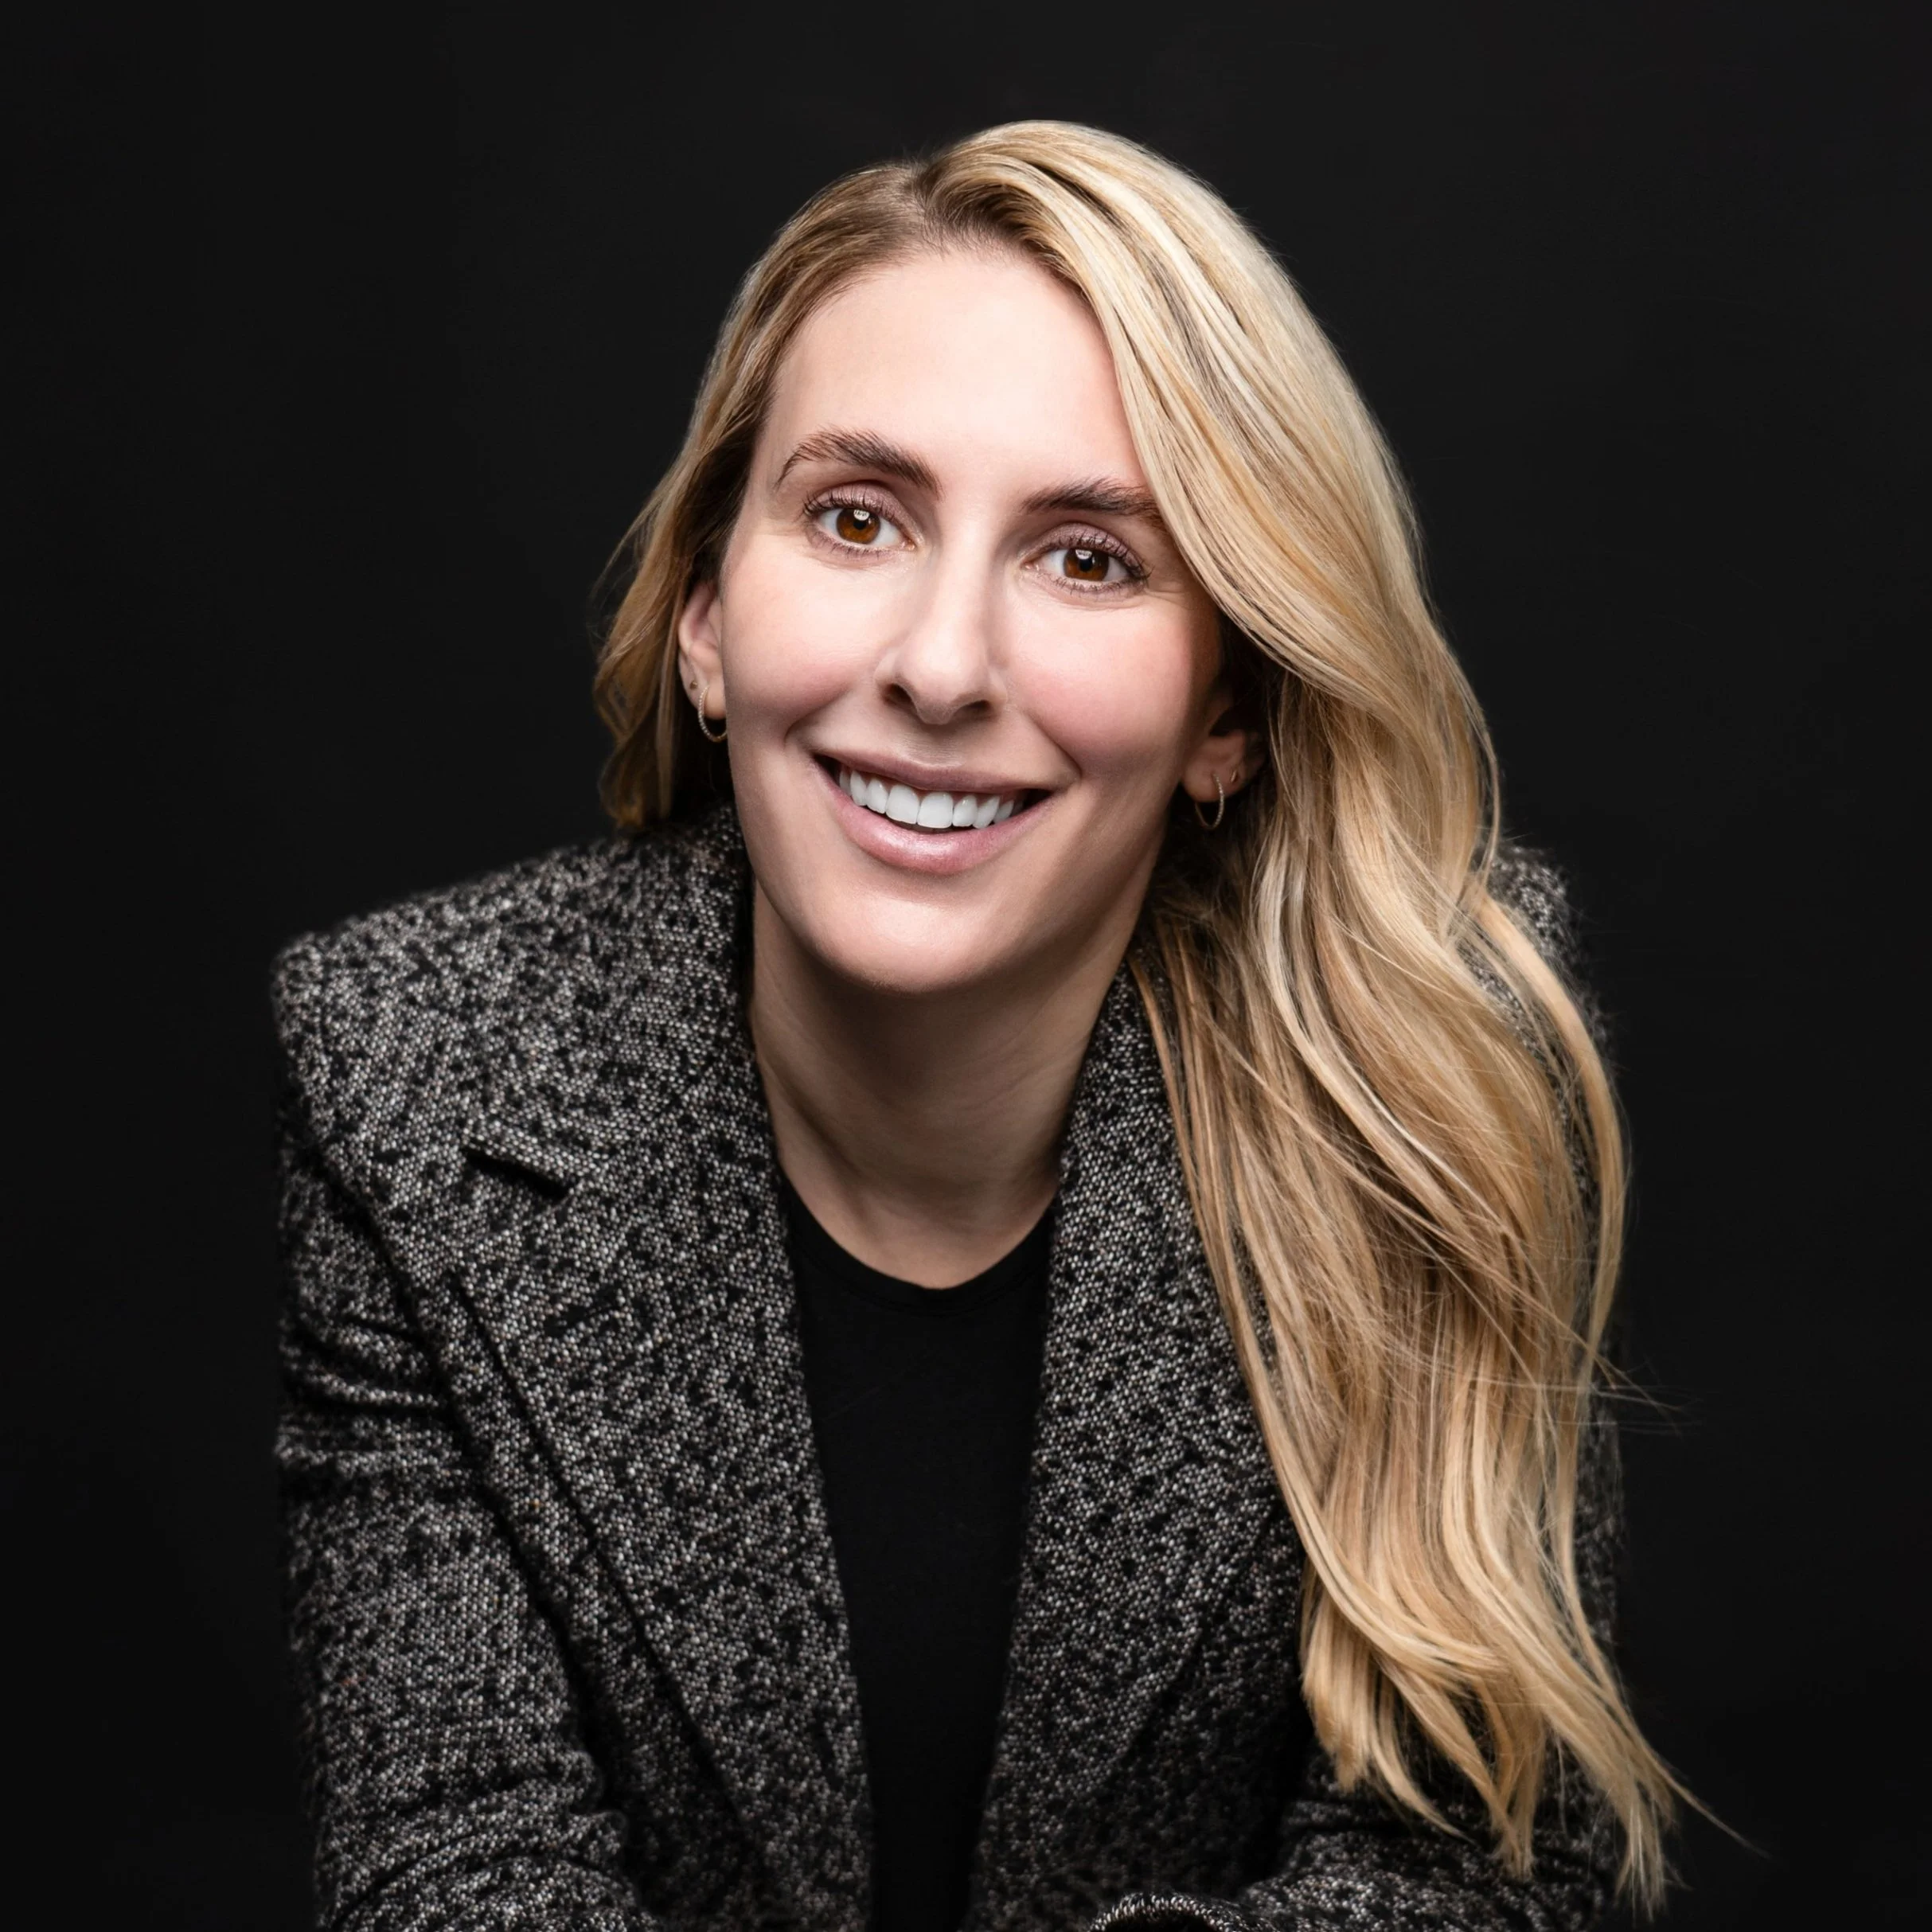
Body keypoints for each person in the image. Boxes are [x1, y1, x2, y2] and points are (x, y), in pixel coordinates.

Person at [271, 121, 1677, 1932]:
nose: (941, 666)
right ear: (707, 613)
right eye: (856, 519)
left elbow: (1469, 1873)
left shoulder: (1419, 1063)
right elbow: (458, 1879)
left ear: (1224, 711)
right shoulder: (417, 1075)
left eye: (1088, 558)